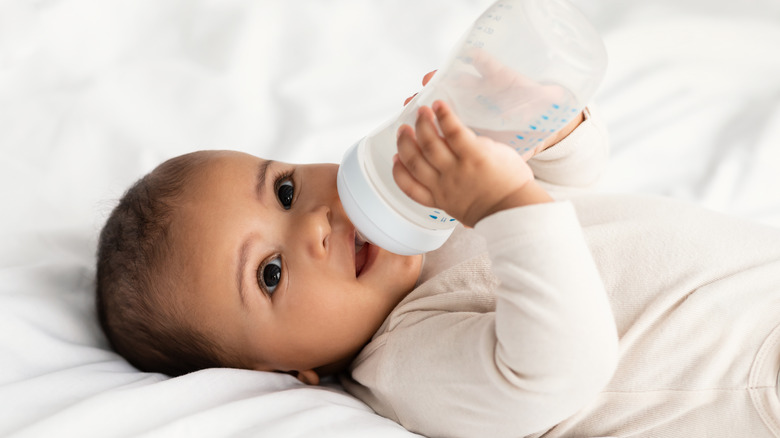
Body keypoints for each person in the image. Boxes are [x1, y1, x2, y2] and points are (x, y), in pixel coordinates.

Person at [96, 77, 780, 436]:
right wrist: (504, 201)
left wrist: (543, 126)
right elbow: (560, 371)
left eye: (283, 189)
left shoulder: (431, 215)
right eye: (270, 274)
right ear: (293, 371)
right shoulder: (405, 364)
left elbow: (570, 194)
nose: (313, 225)